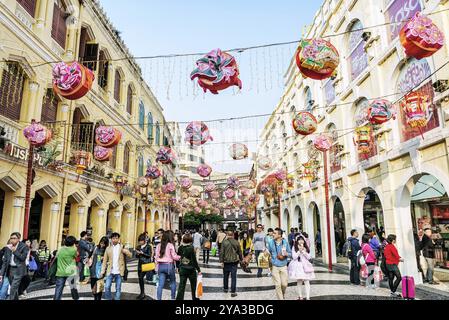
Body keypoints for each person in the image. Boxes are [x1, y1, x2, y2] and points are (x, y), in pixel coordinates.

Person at [100, 232, 132, 301]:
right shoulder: (108, 248)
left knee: (118, 288)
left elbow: (130, 255)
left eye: (116, 238)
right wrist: (102, 271)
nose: (115, 240)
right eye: (113, 238)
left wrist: (125, 251)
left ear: (118, 239)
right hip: (110, 271)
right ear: (111, 239)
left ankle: (117, 298)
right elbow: (105, 261)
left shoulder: (122, 247)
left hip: (119, 271)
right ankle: (109, 298)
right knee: (107, 287)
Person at [0, 233, 29, 300]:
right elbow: (5, 261)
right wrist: (1, 274)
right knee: (14, 289)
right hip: (10, 270)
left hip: (19, 270)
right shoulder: (8, 247)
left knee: (13, 288)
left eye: (14, 238)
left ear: (18, 239)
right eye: (11, 238)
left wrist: (15, 251)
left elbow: (22, 258)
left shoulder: (24, 246)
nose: (12, 240)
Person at [267, 228, 292, 300]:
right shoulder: (271, 242)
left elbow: (290, 253)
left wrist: (287, 254)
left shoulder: (285, 242)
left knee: (284, 284)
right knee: (277, 284)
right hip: (275, 266)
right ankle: (281, 298)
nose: (273, 234)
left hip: (283, 265)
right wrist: (266, 253)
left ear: (280, 235)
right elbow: (268, 251)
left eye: (275, 233)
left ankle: (282, 295)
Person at [288, 234, 315, 300]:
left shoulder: (306, 247)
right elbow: (294, 257)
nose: (301, 241)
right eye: (299, 240)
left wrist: (304, 251)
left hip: (305, 265)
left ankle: (308, 297)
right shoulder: (294, 247)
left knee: (307, 281)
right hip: (297, 265)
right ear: (297, 241)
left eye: (302, 240)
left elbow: (309, 257)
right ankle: (300, 296)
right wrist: (299, 251)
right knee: (299, 281)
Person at [155, 230, 180, 300]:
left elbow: (156, 258)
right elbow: (174, 257)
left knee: (160, 285)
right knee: (173, 282)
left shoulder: (158, 245)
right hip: (169, 266)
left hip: (161, 266)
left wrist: (156, 268)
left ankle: (159, 299)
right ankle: (172, 298)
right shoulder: (170, 245)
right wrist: (180, 257)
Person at [176, 233, 201, 300]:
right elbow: (194, 260)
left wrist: (178, 267)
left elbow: (178, 258)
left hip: (182, 269)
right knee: (194, 286)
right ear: (190, 240)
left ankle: (179, 299)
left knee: (181, 286)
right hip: (191, 270)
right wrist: (198, 270)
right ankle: (195, 299)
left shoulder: (180, 247)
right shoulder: (191, 248)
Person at [53, 236, 79, 300]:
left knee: (58, 289)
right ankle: (76, 298)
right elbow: (77, 256)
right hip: (71, 272)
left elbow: (56, 256)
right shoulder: (73, 250)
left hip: (60, 272)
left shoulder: (60, 249)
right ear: (73, 243)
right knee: (73, 287)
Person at [220, 230, 242, 297]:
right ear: (233, 235)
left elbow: (222, 253)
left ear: (227, 235)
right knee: (233, 277)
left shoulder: (224, 242)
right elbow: (240, 252)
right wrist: (241, 260)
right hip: (234, 262)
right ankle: (233, 292)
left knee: (225, 276)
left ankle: (225, 288)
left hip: (226, 262)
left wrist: (221, 261)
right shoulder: (236, 242)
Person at [135, 233, 153, 300]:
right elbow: (136, 256)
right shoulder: (138, 247)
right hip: (140, 264)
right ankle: (142, 292)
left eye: (141, 240)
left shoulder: (148, 246)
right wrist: (137, 253)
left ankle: (142, 293)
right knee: (140, 279)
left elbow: (149, 255)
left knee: (141, 277)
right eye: (139, 241)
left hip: (146, 264)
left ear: (144, 240)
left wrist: (142, 253)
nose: (140, 242)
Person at [89, 236, 108, 301]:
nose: (102, 244)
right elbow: (90, 255)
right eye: (101, 243)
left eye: (104, 243)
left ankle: (98, 298)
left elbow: (109, 260)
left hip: (100, 270)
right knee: (93, 285)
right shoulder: (95, 247)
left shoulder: (106, 250)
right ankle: (95, 297)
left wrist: (104, 259)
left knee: (99, 285)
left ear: (106, 244)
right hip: (93, 268)